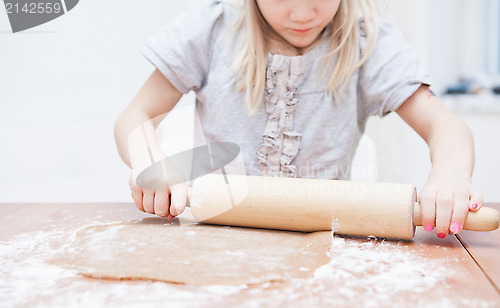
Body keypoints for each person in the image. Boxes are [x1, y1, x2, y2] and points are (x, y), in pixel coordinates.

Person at [114, 0, 483, 239]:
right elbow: (137, 114)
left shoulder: (367, 41)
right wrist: (149, 160)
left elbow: (446, 126)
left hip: (327, 240)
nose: (303, 15)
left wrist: (450, 175)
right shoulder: (210, 30)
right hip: (219, 235)